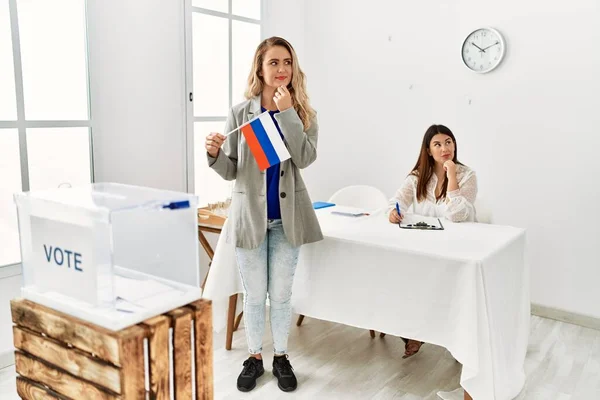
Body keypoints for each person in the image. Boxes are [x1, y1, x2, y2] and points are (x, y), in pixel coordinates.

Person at [205, 36, 322, 392]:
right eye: (273, 63)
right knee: (254, 296)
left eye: (287, 62)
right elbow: (231, 169)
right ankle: (255, 357)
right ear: (260, 68)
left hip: (288, 218)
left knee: (282, 296)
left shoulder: (304, 114)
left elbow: (303, 158)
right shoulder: (242, 113)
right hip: (250, 218)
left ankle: (281, 356)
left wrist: (287, 114)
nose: (281, 69)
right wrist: (213, 154)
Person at [388, 124, 478, 357]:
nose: (445, 148)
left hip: (458, 247)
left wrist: (451, 176)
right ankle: (414, 332)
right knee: (406, 276)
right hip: (424, 245)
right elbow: (395, 201)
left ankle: (457, 341)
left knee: (442, 285)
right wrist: (393, 212)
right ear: (428, 150)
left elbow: (458, 215)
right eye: (437, 144)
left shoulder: (468, 176)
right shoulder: (418, 176)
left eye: (449, 142)